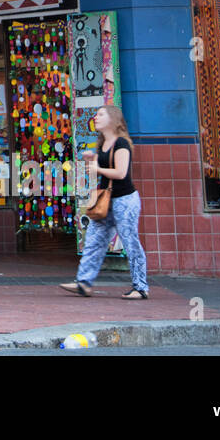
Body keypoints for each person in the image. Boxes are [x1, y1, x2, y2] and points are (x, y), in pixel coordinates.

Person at [60, 104, 148, 300]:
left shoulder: (122, 144)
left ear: (113, 120)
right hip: (106, 202)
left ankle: (140, 287)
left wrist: (96, 168)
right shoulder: (102, 145)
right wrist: (93, 160)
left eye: (101, 114)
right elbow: (103, 168)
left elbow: (120, 173)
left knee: (130, 242)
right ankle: (84, 282)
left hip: (125, 200)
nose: (96, 117)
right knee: (93, 240)